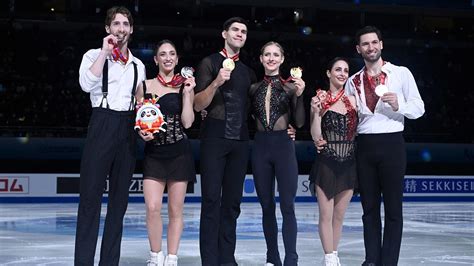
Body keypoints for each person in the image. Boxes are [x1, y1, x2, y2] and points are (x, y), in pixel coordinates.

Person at [346, 26, 424, 265]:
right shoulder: (353, 81)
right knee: (368, 209)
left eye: (374, 42)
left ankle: (389, 261)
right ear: (359, 49)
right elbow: (350, 120)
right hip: (365, 146)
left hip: (392, 144)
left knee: (393, 210)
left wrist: (399, 104)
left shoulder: (400, 73)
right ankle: (372, 260)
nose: (370, 47)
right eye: (365, 44)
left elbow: (419, 109)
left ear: (381, 44)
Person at [75, 6, 146, 265]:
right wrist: (105, 52)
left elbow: (141, 103)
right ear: (108, 29)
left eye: (125, 24)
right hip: (102, 122)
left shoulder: (139, 65)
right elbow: (85, 85)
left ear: (131, 29)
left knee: (119, 203)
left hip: (127, 128)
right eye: (116, 24)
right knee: (90, 199)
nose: (121, 29)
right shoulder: (93, 55)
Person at [193, 17, 255, 266]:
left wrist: (287, 127)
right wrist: (217, 81)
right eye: (235, 30)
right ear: (224, 33)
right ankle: (209, 260)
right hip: (214, 137)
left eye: (244, 31)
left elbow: (256, 110)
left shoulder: (248, 72)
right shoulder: (208, 63)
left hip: (240, 140)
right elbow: (198, 104)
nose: (240, 34)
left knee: (232, 204)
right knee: (210, 201)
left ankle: (227, 259)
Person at [135, 40, 196, 266]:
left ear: (177, 59)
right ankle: (155, 256)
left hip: (179, 153)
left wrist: (188, 95)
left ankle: (172, 258)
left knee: (175, 210)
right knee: (152, 208)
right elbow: (138, 120)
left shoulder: (184, 86)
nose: (168, 57)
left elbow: (188, 123)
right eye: (163, 54)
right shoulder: (145, 85)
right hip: (154, 154)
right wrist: (141, 133)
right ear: (156, 59)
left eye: (172, 53)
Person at [249, 41, 305, 266]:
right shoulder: (253, 88)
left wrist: (300, 95)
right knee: (266, 205)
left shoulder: (291, 88)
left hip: (283, 146)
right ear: (261, 59)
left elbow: (299, 122)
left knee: (287, 205)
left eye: (276, 55)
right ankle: (272, 257)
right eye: (267, 55)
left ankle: (291, 258)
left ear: (282, 60)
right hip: (261, 146)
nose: (271, 58)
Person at [309, 57, 357, 266]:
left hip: (349, 163)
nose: (342, 73)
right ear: (329, 73)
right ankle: (329, 258)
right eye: (338, 69)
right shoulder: (320, 99)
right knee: (326, 215)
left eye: (346, 70)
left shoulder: (354, 101)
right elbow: (316, 136)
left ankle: (334, 254)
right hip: (326, 162)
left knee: (339, 216)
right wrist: (317, 113)